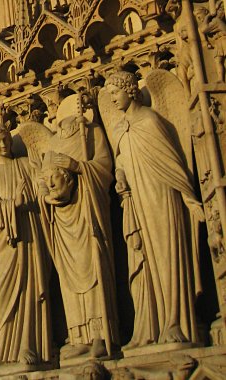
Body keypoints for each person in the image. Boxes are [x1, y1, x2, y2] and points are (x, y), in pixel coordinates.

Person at [105, 71, 205, 348]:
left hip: (161, 197)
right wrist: (121, 176)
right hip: (137, 202)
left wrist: (188, 196)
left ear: (130, 91)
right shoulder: (118, 128)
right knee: (143, 260)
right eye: (110, 94)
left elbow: (172, 162)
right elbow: (121, 160)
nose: (112, 99)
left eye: (115, 92)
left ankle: (176, 321)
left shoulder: (150, 120)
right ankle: (150, 327)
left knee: (167, 255)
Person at [38, 95, 119, 360]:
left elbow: (105, 168)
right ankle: (79, 335)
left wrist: (77, 167)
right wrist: (47, 195)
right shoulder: (51, 144)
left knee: (94, 271)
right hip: (62, 219)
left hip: (87, 212)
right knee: (68, 278)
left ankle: (100, 335)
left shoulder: (90, 131)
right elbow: (41, 180)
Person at [0, 124, 51, 372]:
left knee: (29, 287)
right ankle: (2, 350)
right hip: (6, 236)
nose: (4, 145)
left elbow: (41, 188)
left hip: (29, 230)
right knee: (2, 291)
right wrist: (13, 204)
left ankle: (28, 346)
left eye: (6, 140)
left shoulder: (24, 164)